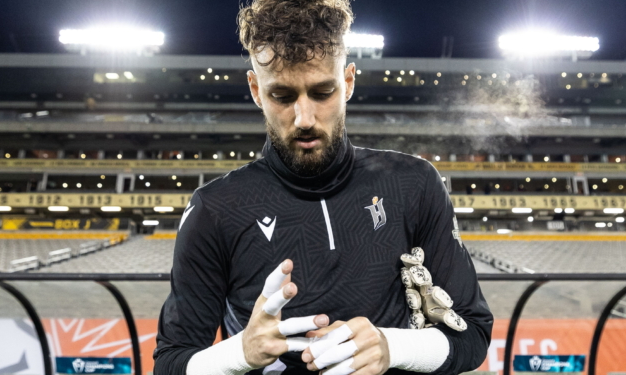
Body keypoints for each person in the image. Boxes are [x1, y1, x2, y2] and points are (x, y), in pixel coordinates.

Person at [153, 0, 493, 374]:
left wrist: (389, 346)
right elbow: (170, 362)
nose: (304, 118)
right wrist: (240, 353)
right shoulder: (215, 209)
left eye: (322, 92)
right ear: (255, 89)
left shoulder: (413, 183)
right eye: (281, 96)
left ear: (347, 81)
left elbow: (473, 333)